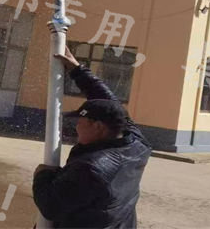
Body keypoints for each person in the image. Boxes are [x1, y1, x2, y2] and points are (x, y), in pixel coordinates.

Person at [32, 46, 151, 228]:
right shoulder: (136, 142)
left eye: (81, 121)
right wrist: (77, 70)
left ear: (98, 127)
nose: (76, 126)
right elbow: (110, 104)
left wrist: (43, 175)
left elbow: (50, 206)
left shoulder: (91, 169)